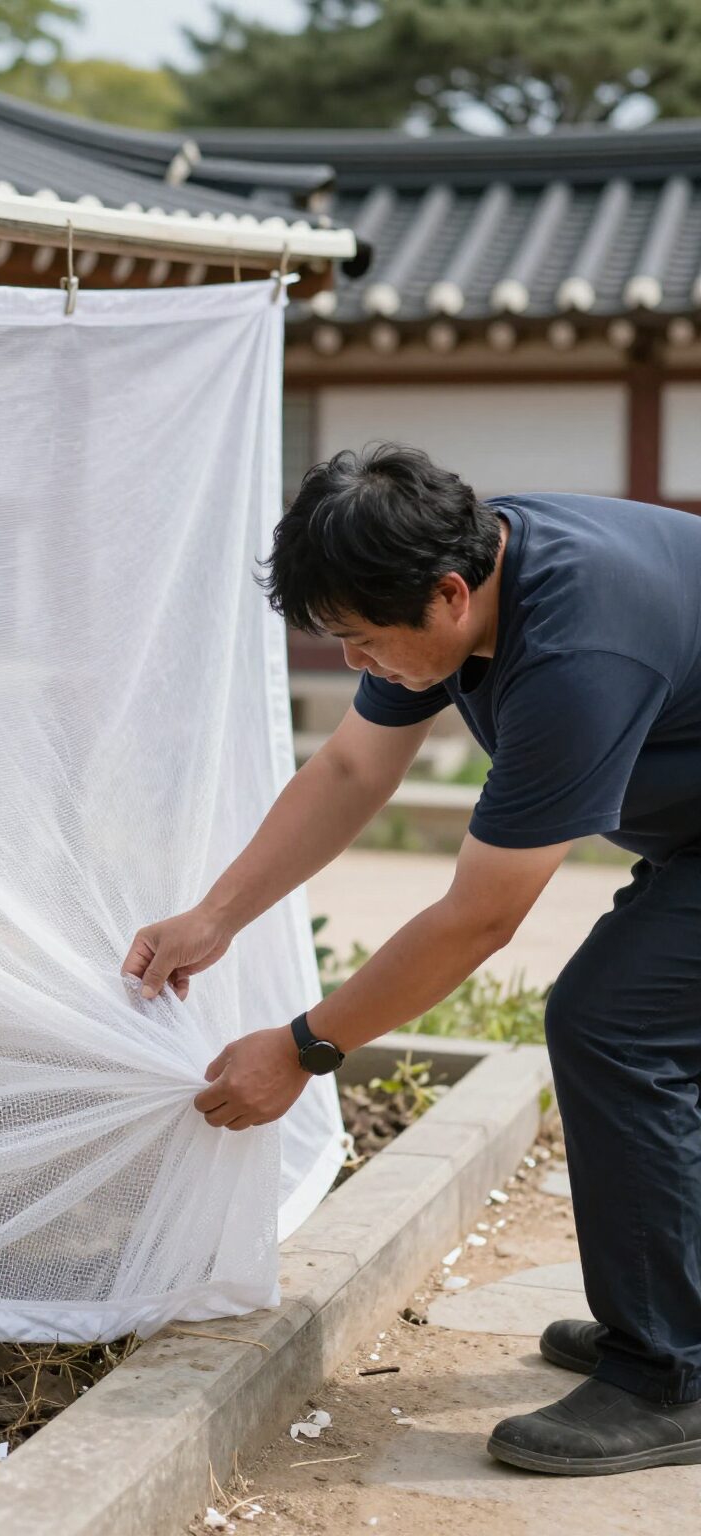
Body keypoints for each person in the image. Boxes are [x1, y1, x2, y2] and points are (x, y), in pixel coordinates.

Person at [121, 443, 701, 1476]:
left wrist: (304, 1049)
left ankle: (673, 1369)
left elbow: (479, 919)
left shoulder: (574, 651)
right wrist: (217, 916)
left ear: (447, 595)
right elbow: (351, 769)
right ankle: (671, 1315)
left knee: (613, 1025)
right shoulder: (456, 579)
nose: (355, 663)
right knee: (644, 1030)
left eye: (362, 640)